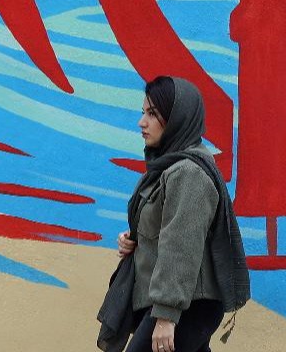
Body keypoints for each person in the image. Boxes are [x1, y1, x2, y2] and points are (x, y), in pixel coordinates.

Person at [97, 76, 251, 352]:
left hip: (186, 306)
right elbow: (168, 228)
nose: (142, 122)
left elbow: (181, 245)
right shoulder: (169, 168)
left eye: (152, 114)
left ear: (177, 118)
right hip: (181, 303)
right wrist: (136, 239)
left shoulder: (188, 173)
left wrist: (167, 316)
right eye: (143, 112)